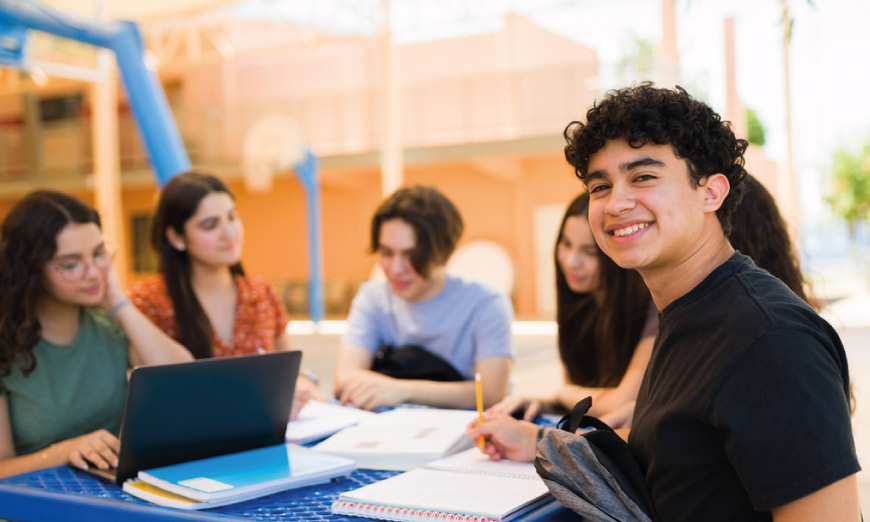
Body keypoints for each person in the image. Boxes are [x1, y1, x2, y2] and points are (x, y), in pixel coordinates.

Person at [468, 83, 859, 521]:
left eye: (643, 177)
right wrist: (539, 442)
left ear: (711, 192)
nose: (615, 204)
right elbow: (679, 452)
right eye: (600, 186)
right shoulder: (687, 311)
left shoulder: (769, 339)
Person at [0, 190, 193, 479]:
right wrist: (63, 452)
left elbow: (183, 381)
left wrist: (118, 303)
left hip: (115, 491)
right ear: (29, 269)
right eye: (71, 264)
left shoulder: (109, 327)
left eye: (99, 253)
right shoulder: (6, 345)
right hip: (37, 497)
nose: (92, 273)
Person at [128, 171, 324, 416]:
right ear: (177, 237)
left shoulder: (261, 293)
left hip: (269, 432)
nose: (229, 232)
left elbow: (289, 371)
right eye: (210, 225)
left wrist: (302, 385)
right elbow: (156, 394)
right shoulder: (148, 302)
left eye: (232, 217)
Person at [334, 185, 514, 411]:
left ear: (444, 254)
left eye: (412, 256)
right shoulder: (373, 298)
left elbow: (491, 393)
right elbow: (344, 378)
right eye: (387, 253)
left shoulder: (486, 304)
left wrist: (401, 390)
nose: (396, 268)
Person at [489, 192, 656, 422]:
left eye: (590, 252)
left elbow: (622, 403)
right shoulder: (580, 309)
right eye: (566, 244)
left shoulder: (653, 308)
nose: (571, 261)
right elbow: (585, 400)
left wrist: (561, 395)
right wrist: (542, 404)